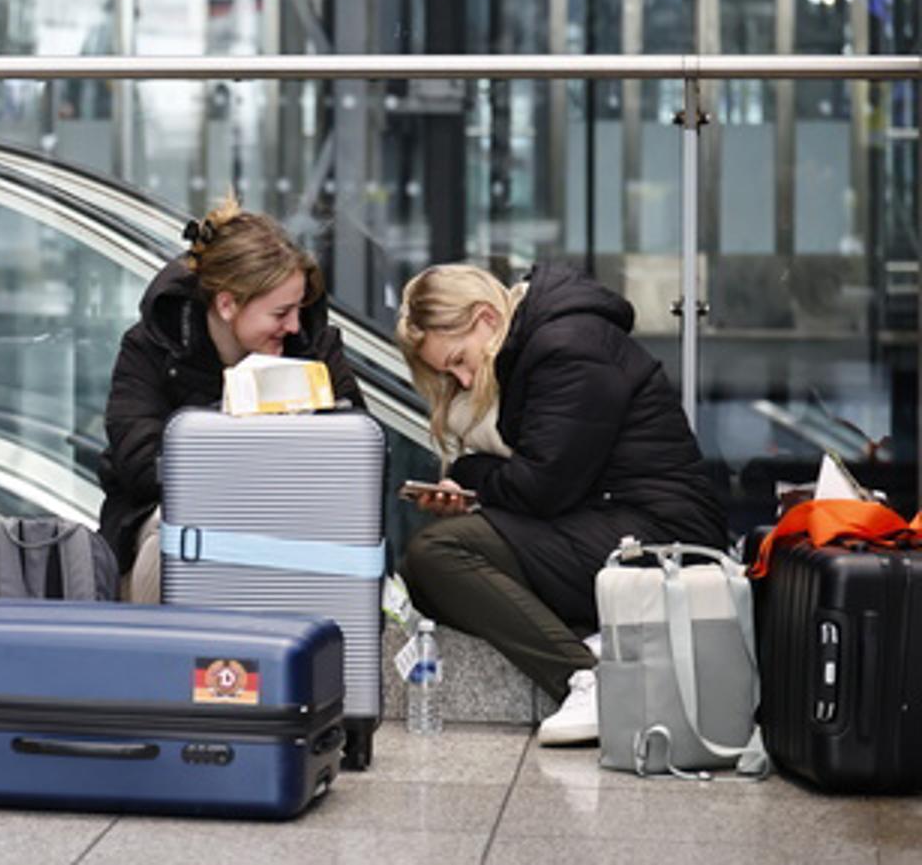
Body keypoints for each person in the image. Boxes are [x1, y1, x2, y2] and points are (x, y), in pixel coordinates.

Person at [394, 261, 727, 746]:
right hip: (614, 520)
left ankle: (589, 680)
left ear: (487, 318)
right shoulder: (542, 343)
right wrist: (473, 495)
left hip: (664, 536)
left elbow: (541, 487)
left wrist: (467, 476)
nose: (464, 381)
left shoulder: (568, 346)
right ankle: (592, 640)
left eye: (460, 359)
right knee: (433, 566)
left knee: (439, 554)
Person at [100, 195, 364, 603]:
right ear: (227, 304)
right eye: (280, 314)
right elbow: (139, 462)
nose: (294, 326)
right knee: (174, 534)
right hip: (176, 527)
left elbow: (362, 453)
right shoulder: (152, 346)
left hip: (293, 523)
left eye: (299, 309)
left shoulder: (313, 343)